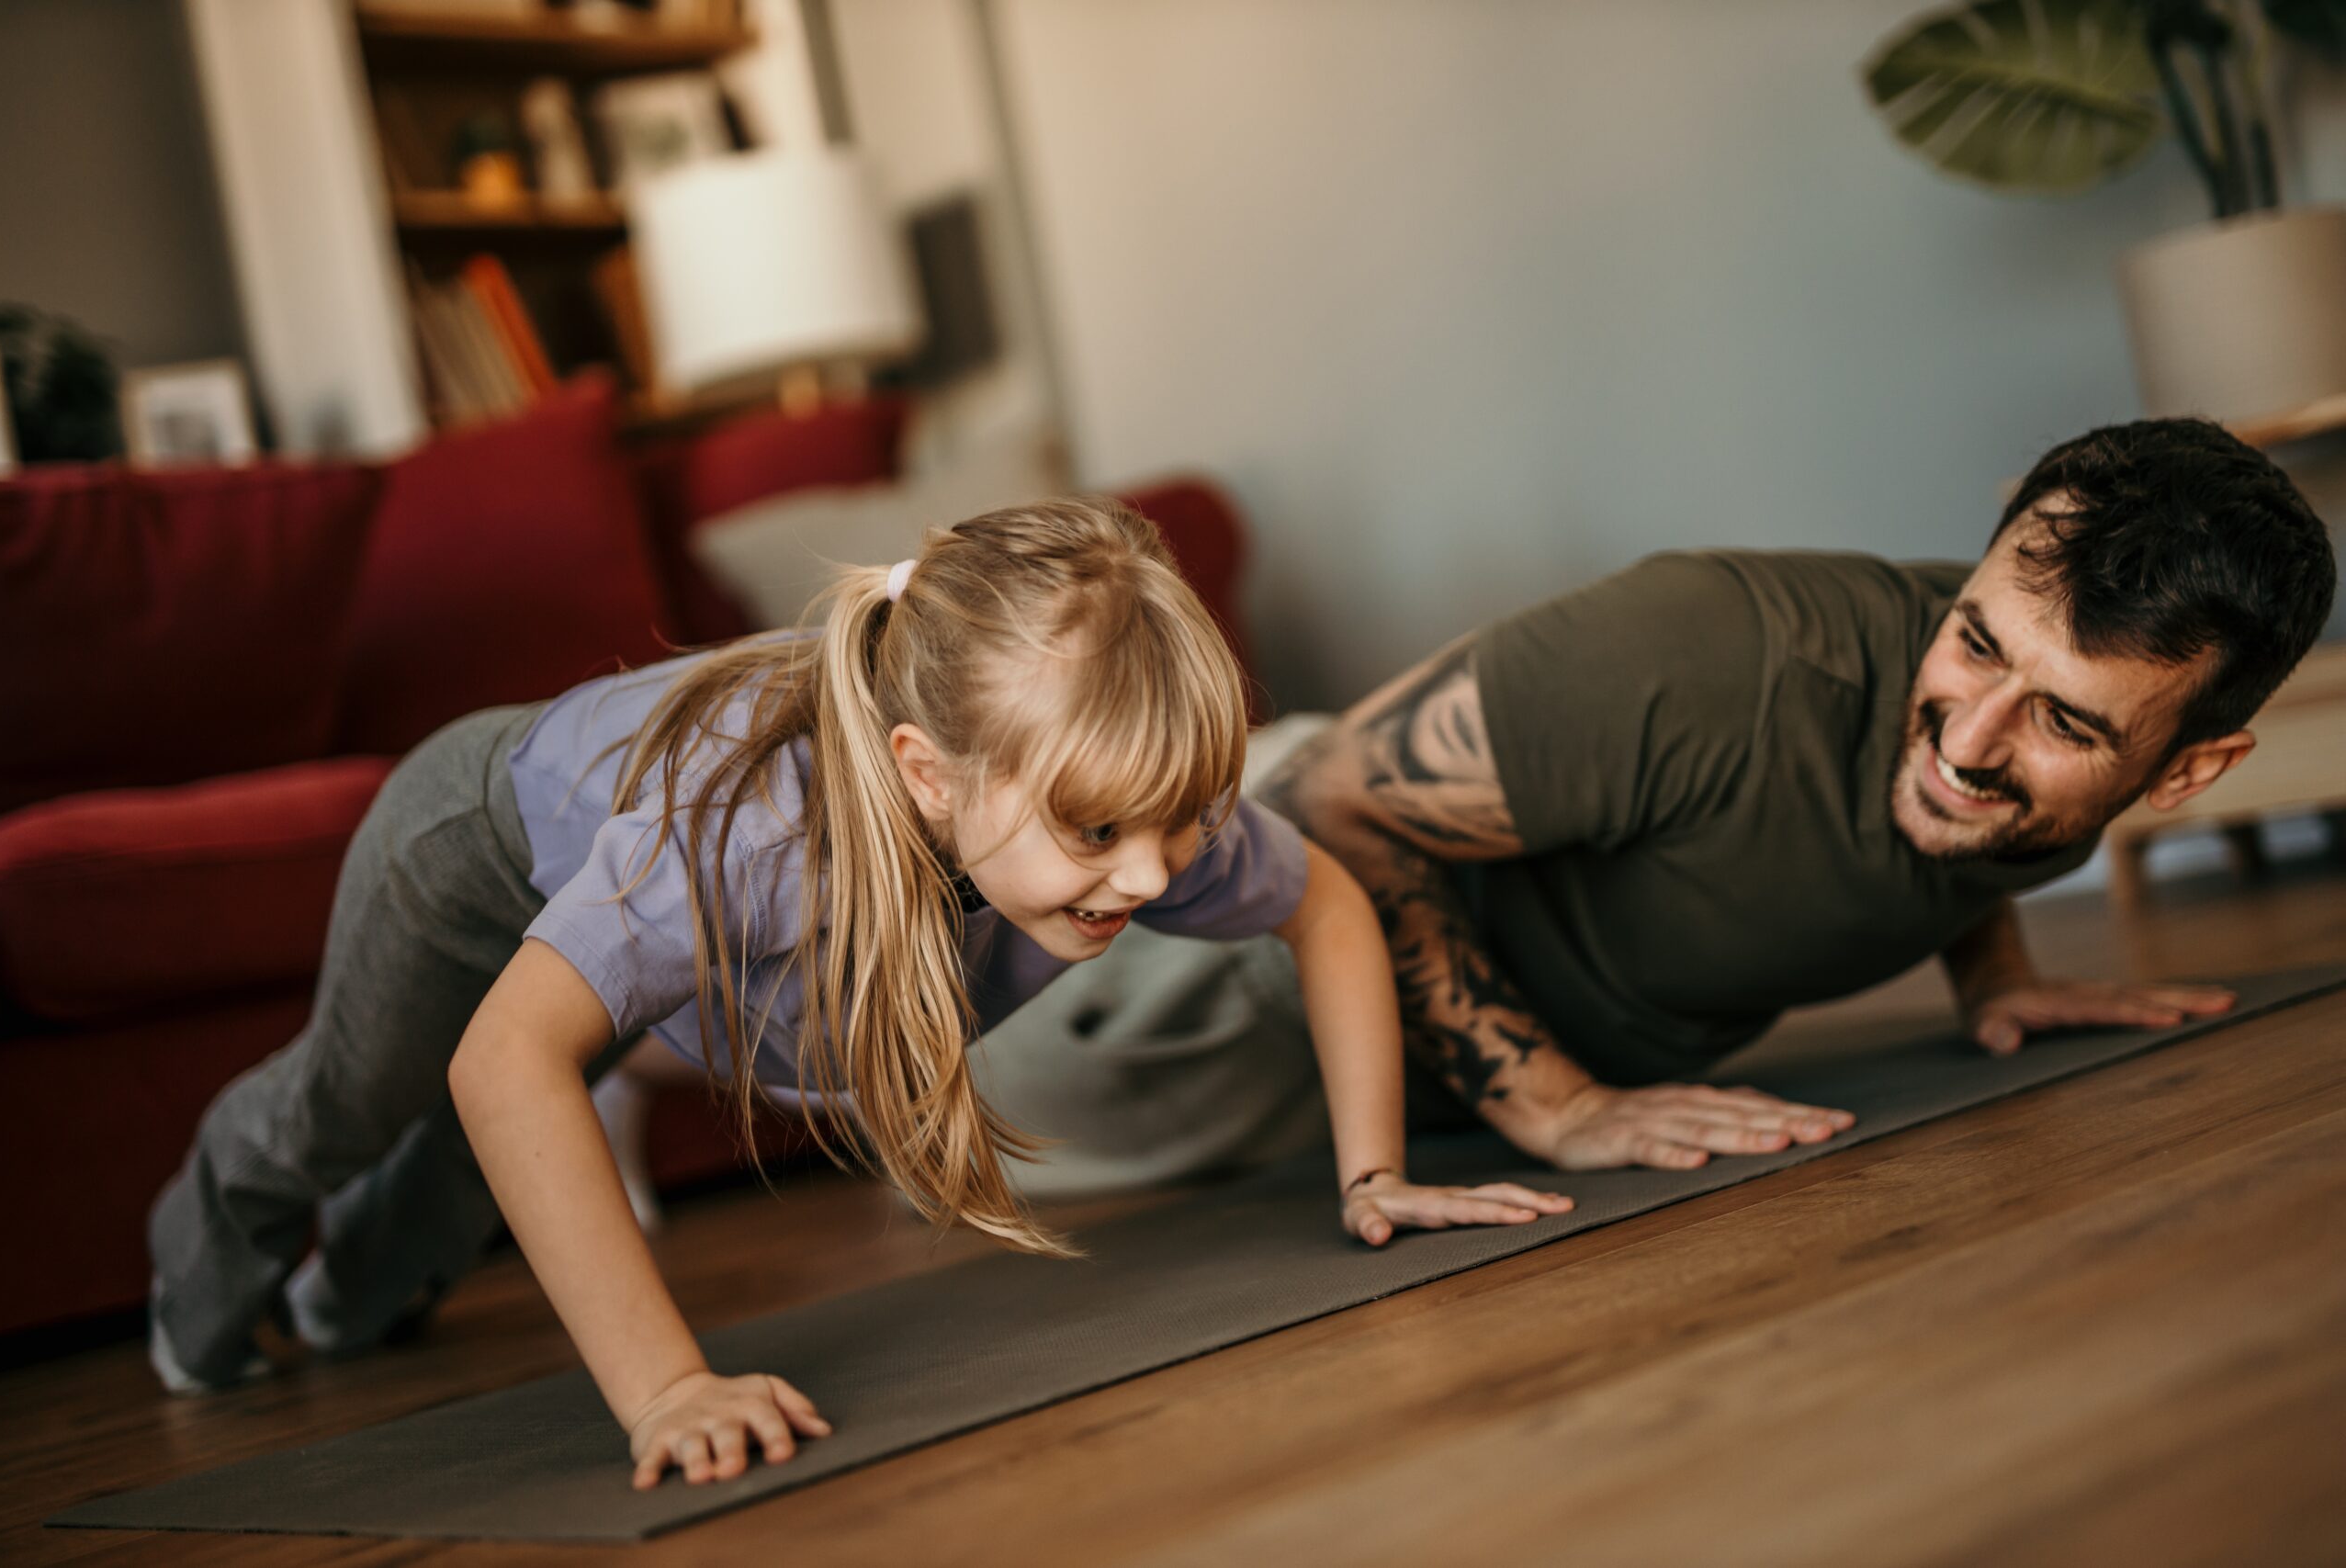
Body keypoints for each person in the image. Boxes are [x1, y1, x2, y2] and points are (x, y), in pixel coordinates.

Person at [145, 498, 1569, 1491]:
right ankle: (197, 1285)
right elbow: (498, 1061)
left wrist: (1373, 1173)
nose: (1148, 879)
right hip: (476, 844)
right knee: (357, 1102)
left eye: (1179, 822)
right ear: (930, 774)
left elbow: (1323, 902)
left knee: (438, 1213)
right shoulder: (760, 837)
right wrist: (669, 1392)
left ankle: (342, 1310)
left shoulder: (1129, 818)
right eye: (1096, 837)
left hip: (678, 894)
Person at [970, 418, 2336, 1187]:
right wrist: (1557, 1108)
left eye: (2062, 720)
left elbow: (1963, 828)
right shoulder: (1714, 647)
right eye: (1973, 641)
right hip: (1182, 952)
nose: (1969, 738)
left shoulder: (2025, 740)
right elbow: (1331, 809)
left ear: (2188, 770)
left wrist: (1998, 974)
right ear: (1969, 582)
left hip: (1417, 1049)